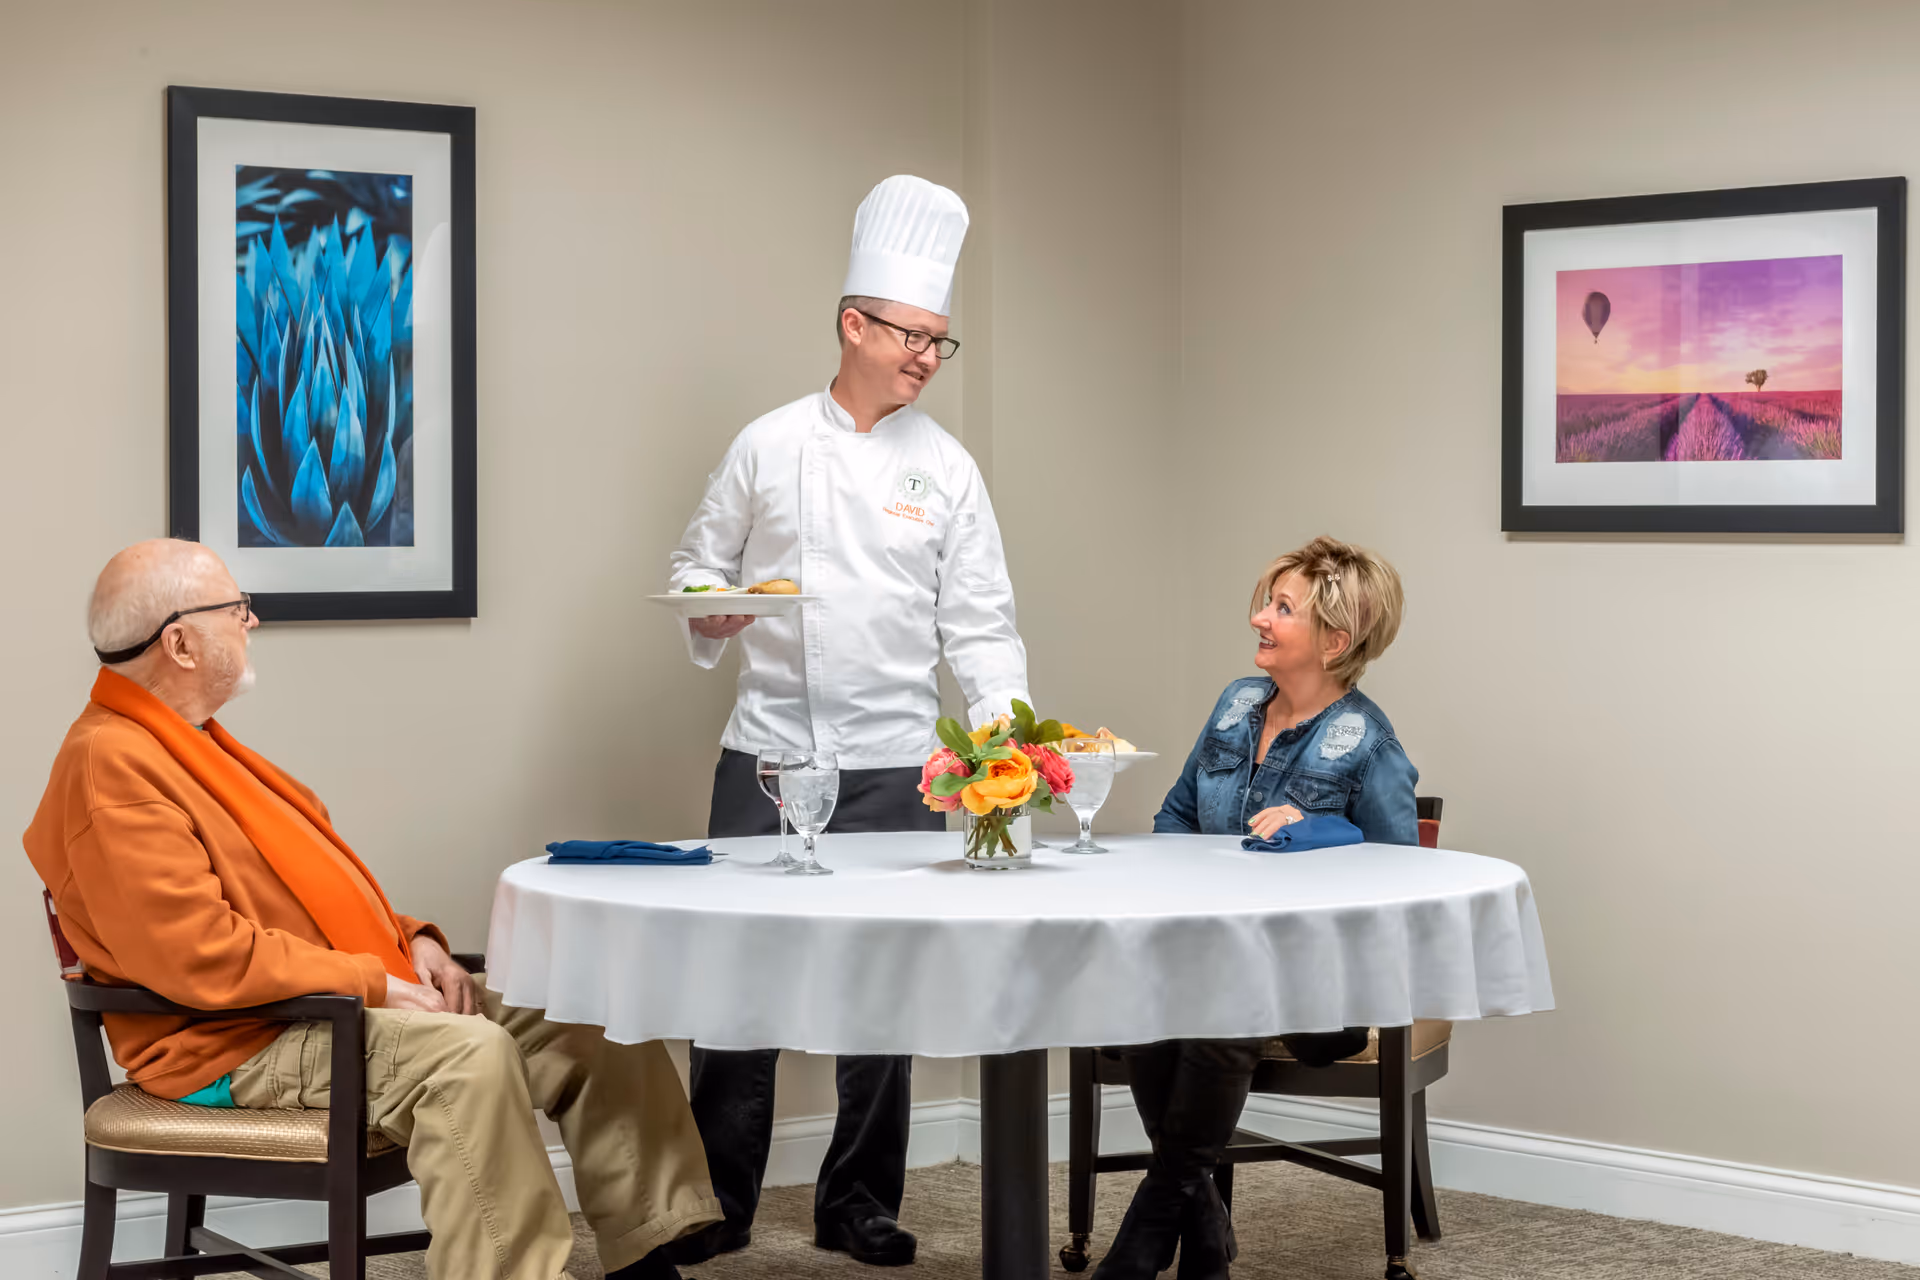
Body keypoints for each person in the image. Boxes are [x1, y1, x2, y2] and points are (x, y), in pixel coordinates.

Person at [24, 539, 720, 1280]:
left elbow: (303, 889)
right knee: (469, 1057)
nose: (251, 621)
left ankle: (650, 1251)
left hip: (320, 1003)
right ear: (181, 642)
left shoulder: (187, 744)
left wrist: (411, 942)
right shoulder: (110, 765)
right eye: (236, 608)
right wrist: (379, 983)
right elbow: (200, 953)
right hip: (234, 1042)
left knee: (585, 1013)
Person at [665, 175, 1029, 1268]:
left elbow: (982, 623)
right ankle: (716, 1198)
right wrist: (712, 608)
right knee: (735, 990)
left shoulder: (948, 468)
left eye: (940, 341)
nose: (925, 356)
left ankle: (858, 1200)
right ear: (852, 324)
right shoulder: (767, 445)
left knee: (885, 999)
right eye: (911, 335)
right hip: (768, 754)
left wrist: (1002, 735)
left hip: (897, 763)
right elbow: (693, 566)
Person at [1099, 535, 1419, 1280]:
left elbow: (1403, 878)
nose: (1258, 618)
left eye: (1282, 608)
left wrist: (1327, 829)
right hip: (1208, 956)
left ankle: (1150, 1229)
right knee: (1152, 1003)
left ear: (1335, 641)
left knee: (1216, 1002)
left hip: (1318, 985)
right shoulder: (1236, 705)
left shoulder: (1369, 745)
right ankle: (1203, 1233)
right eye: (1265, 601)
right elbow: (1177, 817)